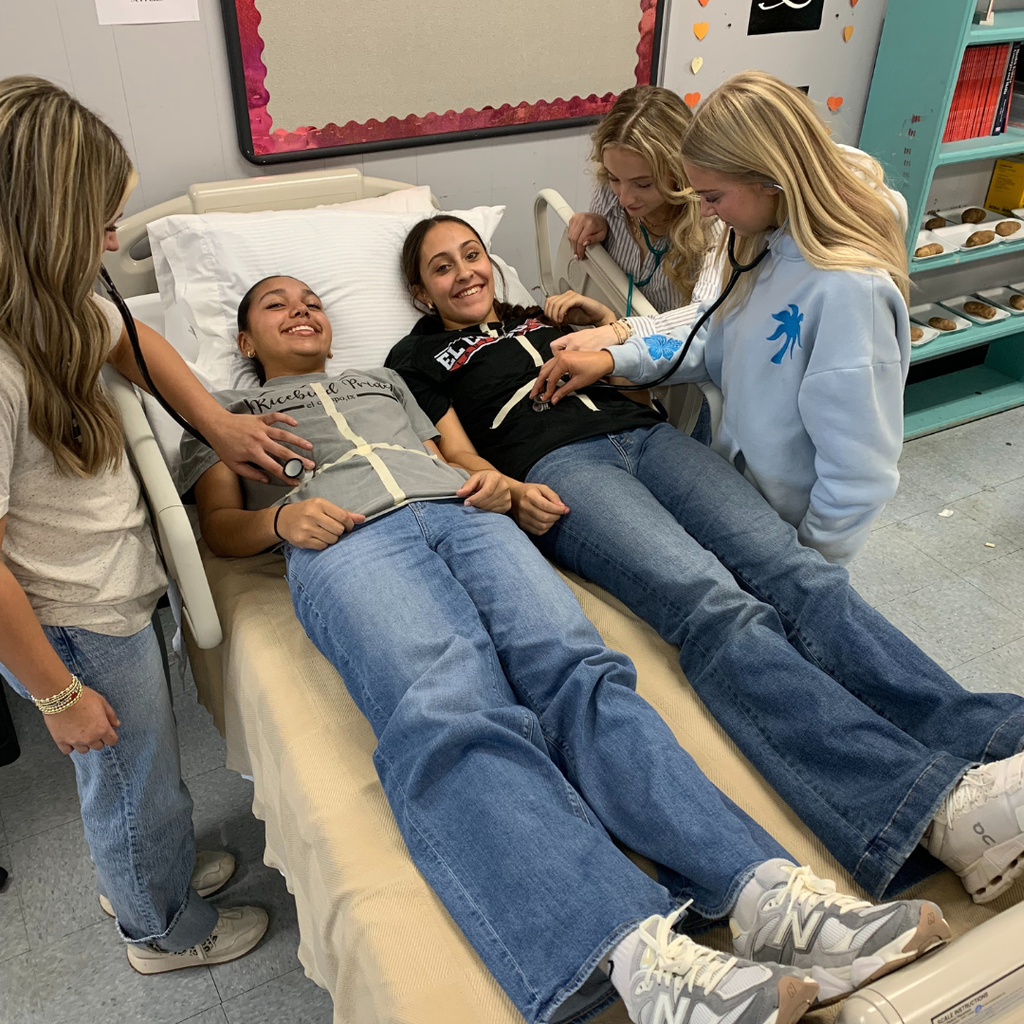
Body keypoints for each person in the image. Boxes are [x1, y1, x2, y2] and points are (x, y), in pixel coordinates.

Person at [182, 274, 956, 1024]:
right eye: (276, 304)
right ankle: (637, 957)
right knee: (449, 708)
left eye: (313, 300)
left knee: (584, 676)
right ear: (246, 338)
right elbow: (219, 526)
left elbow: (458, 456)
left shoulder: (387, 381)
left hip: (467, 515)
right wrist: (280, 524)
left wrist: (497, 487)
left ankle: (762, 894)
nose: (302, 310)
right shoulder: (220, 411)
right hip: (347, 540)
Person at [385, 213, 1024, 915]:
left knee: (799, 571)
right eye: (442, 266)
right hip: (560, 466)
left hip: (646, 436)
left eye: (471, 254)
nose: (464, 272)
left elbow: (641, 380)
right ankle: (922, 806)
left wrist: (608, 325)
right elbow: (455, 453)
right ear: (421, 291)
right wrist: (508, 493)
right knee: (716, 606)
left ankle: (993, 739)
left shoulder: (542, 315)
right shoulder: (415, 359)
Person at [0, 77, 317, 972]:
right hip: (69, 616)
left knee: (139, 768)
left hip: (102, 587)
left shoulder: (53, 303)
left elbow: (129, 339)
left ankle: (149, 867)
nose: (111, 241)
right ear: (40, 220)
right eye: (101, 222)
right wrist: (58, 696)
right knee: (126, 776)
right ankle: (161, 928)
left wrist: (219, 422)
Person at [538, 72, 912, 566]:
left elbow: (859, 475)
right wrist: (614, 358)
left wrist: (809, 565)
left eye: (713, 197)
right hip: (741, 495)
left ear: (771, 180)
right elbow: (710, 337)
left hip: (796, 536)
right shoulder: (756, 246)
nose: (708, 213)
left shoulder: (849, 292)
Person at [564, 85, 718, 441]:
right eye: (615, 179)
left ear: (681, 172)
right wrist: (595, 221)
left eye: (643, 184)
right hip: (623, 359)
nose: (625, 197)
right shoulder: (613, 191)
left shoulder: (712, 217)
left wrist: (621, 331)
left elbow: (705, 317)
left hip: (682, 366)